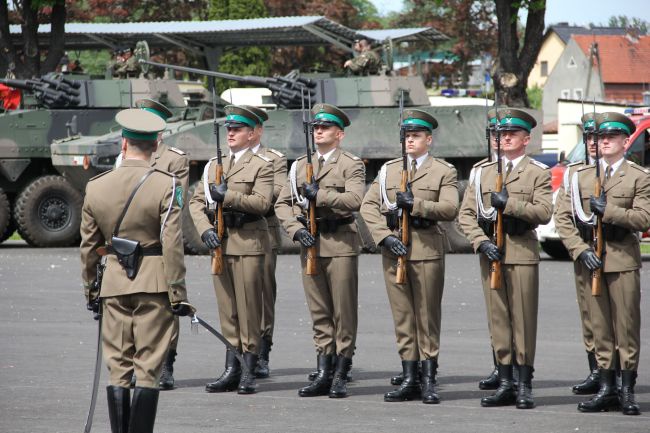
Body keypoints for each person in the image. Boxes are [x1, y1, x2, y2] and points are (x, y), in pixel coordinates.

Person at [80, 108, 191, 433]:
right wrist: (177, 292)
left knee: (118, 368)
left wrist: (91, 288)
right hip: (154, 283)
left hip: (113, 282)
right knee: (147, 369)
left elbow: (88, 247)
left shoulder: (97, 186)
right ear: (156, 145)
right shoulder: (167, 184)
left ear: (124, 143)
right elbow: (172, 243)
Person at [360, 109, 458, 404]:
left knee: (427, 317)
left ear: (429, 139)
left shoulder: (443, 170)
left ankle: (428, 379)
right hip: (394, 251)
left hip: (426, 249)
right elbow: (368, 207)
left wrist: (416, 204)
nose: (410, 140)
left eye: (416, 135)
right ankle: (409, 376)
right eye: (406, 135)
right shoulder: (389, 170)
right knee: (403, 317)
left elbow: (450, 208)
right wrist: (384, 237)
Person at [458, 108, 552, 409]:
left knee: (523, 321)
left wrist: (509, 204)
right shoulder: (481, 172)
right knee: (498, 320)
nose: (503, 138)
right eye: (498, 134)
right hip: (491, 254)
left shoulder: (537, 171)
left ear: (526, 138)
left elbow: (543, 212)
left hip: (521, 252)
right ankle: (506, 381)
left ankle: (524, 384)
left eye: (511, 133)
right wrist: (481, 242)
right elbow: (466, 215)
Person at [275, 103, 365, 398]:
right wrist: (295, 230)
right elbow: (283, 204)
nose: (319, 131)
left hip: (339, 243)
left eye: (325, 127)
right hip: (310, 242)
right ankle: (324, 369)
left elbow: (355, 199)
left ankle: (341, 369)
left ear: (339, 134)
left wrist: (321, 195)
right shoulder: (300, 164)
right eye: (316, 127)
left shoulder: (351, 164)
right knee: (319, 311)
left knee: (343, 311)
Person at [189, 105, 273, 395]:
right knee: (228, 309)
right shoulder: (214, 165)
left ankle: (249, 367)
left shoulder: (262, 164)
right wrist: (204, 230)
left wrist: (231, 196)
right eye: (229, 129)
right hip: (221, 243)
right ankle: (231, 366)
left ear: (252, 134)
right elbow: (196, 203)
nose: (231, 133)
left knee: (249, 308)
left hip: (248, 243)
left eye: (237, 129)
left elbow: (263, 203)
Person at [573, 112, 650, 415]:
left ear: (624, 142)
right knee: (601, 328)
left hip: (622, 259)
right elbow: (567, 220)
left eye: (610, 138)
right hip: (591, 260)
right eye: (599, 138)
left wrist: (611, 211)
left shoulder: (638, 177)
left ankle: (627, 389)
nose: (603, 142)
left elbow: (644, 219)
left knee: (626, 327)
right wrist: (580, 250)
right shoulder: (582, 176)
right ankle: (606, 388)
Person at [133, 98, 189, 390]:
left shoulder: (173, 159)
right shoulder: (126, 155)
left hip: (159, 240)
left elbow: (175, 208)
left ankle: (166, 363)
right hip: (130, 245)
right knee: (134, 306)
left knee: (167, 304)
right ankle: (139, 362)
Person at [553, 113, 601, 396]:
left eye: (599, 138)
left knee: (620, 318)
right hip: (584, 253)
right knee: (589, 315)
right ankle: (596, 370)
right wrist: (579, 249)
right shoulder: (574, 173)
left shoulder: (628, 171)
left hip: (616, 254)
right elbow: (562, 216)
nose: (593, 143)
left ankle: (619, 373)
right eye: (589, 138)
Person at [242, 105, 287, 378]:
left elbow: (277, 191)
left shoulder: (273, 159)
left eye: (244, 127)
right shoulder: (227, 160)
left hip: (264, 231)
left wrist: (243, 196)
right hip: (233, 235)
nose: (235, 132)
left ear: (257, 131)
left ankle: (262, 350)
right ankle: (240, 353)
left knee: (263, 294)